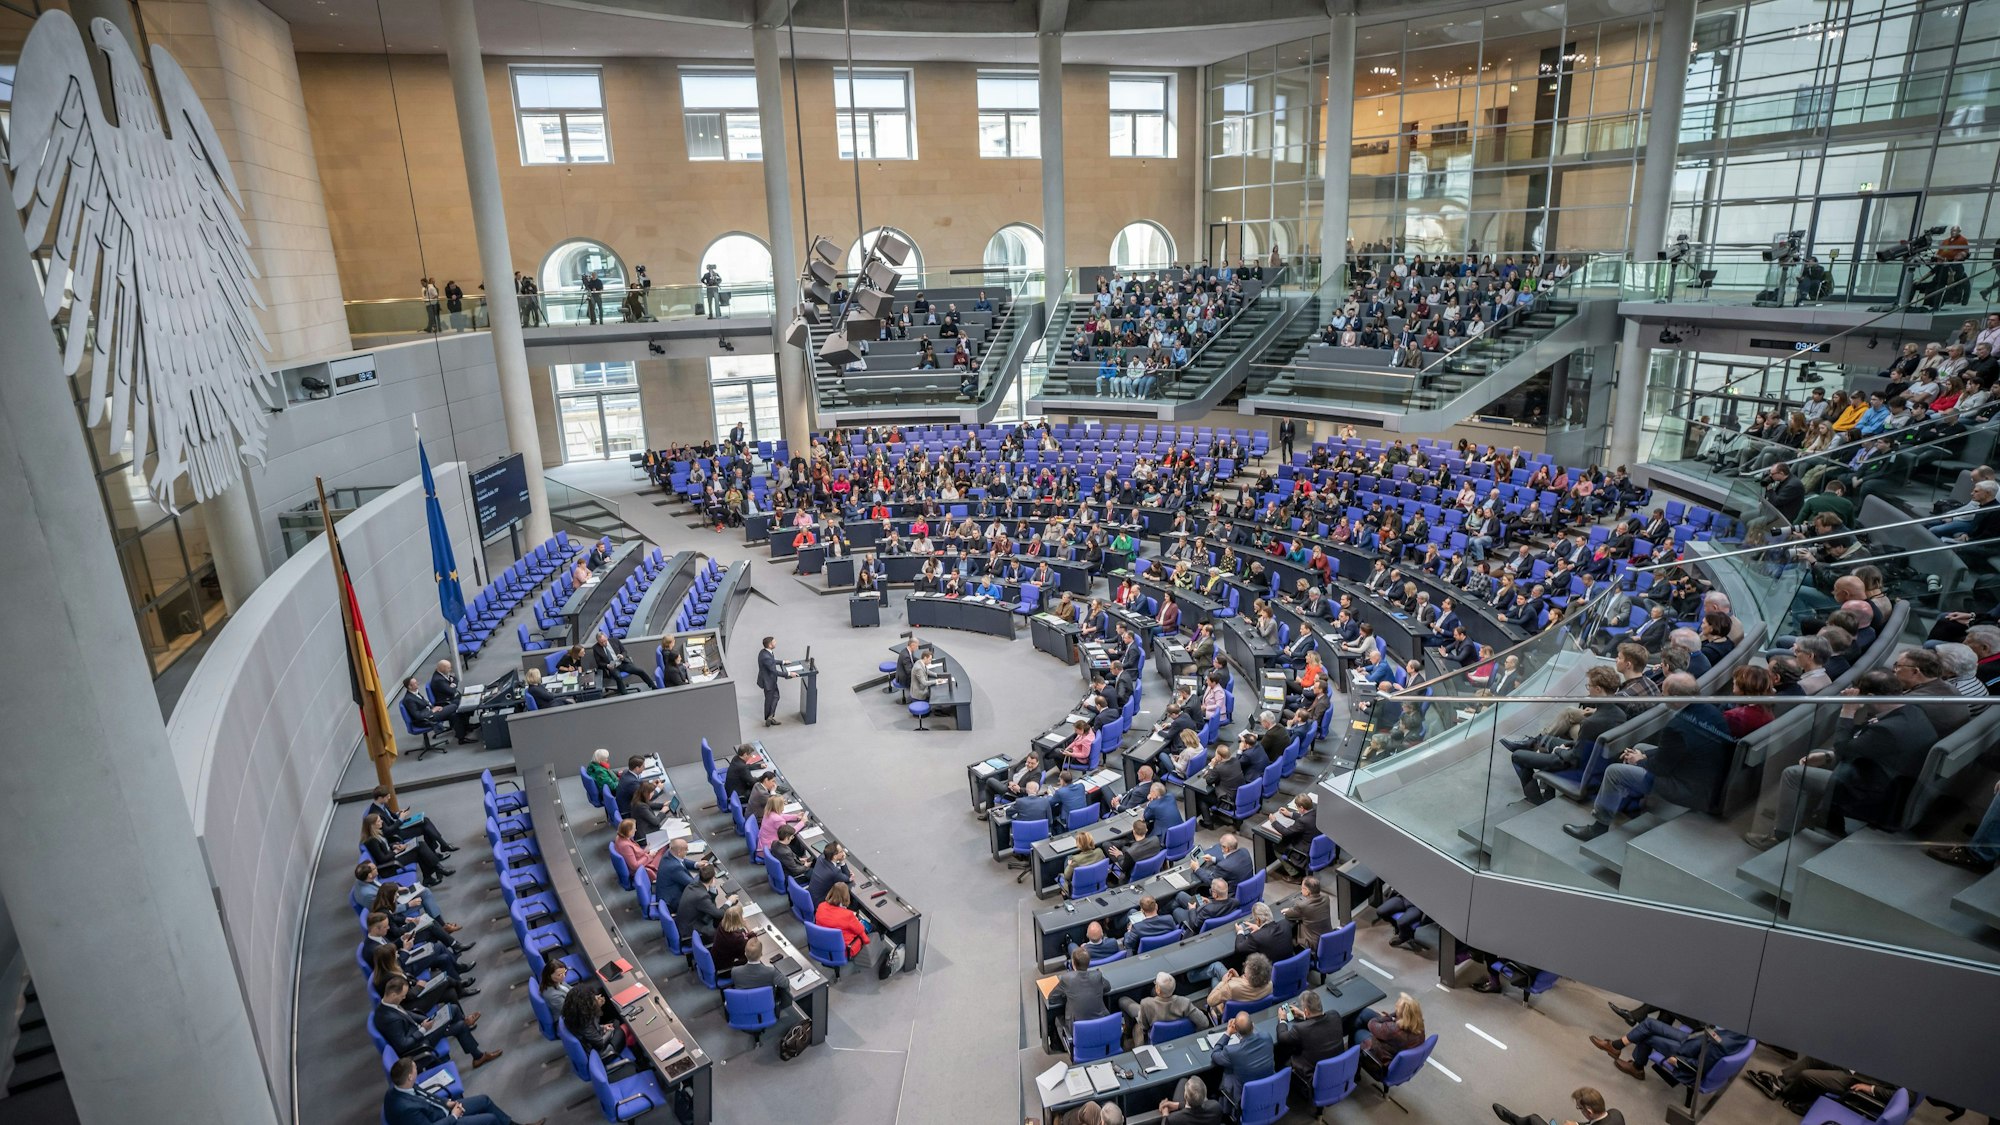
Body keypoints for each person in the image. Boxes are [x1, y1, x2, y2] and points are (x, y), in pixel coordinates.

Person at [1745, 670, 1937, 848]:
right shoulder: (1913, 710)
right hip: (1886, 775)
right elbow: (1866, 746)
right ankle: (1803, 816)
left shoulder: (1888, 729)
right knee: (1821, 754)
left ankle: (1780, 835)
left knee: (1793, 775)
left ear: (1869, 697)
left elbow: (1845, 748)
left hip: (1874, 793)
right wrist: (1829, 756)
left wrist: (1847, 711)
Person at [1565, 673, 1732, 841]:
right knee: (1640, 748)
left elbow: (1660, 768)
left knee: (1614, 772)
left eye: (1663, 692)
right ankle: (1631, 803)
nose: (1661, 696)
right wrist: (1642, 755)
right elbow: (1675, 752)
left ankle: (1599, 826)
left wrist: (1640, 760)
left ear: (1675, 698)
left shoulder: (1676, 727)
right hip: (1703, 774)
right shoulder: (1709, 709)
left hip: (1690, 790)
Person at [373, 977, 499, 1069]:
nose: (405, 998)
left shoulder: (387, 1004)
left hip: (421, 1028)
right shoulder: (390, 1019)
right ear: (394, 994)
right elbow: (403, 1045)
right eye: (403, 995)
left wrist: (424, 1020)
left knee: (453, 1009)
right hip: (419, 1043)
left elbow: (407, 1014)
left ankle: (477, 1055)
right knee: (460, 1026)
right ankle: (477, 1054)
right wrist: (422, 1029)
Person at [1590, 1019, 1749, 1083]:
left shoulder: (1721, 1044)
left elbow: (1701, 1066)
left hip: (1686, 1052)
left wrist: (1677, 1062)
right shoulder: (1745, 1031)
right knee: (1649, 1024)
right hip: (1694, 1039)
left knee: (1647, 1037)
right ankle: (1616, 1046)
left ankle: (1637, 1067)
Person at [1120, 970, 1211, 1044]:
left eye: (1156, 984)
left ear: (1158, 990)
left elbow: (1144, 1026)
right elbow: (1204, 1023)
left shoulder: (1146, 1004)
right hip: (1179, 1036)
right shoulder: (1185, 1002)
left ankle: (1127, 1034)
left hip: (1155, 1037)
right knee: (1152, 992)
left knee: (1123, 1001)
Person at [1274, 990, 1345, 1080]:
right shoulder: (1335, 1015)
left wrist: (1282, 1019)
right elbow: (1318, 1018)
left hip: (1313, 1075)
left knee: (1280, 1057)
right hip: (1336, 1067)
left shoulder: (1300, 1029)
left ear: (1307, 1012)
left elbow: (1282, 1038)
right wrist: (1302, 1014)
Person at [363, 813, 450, 886]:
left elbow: (384, 845)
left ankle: (431, 874)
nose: (382, 821)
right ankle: (436, 869)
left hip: (392, 856)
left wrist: (394, 846)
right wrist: (395, 852)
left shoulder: (377, 833)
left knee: (420, 845)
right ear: (372, 825)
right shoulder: (372, 841)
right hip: (389, 866)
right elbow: (382, 859)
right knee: (419, 849)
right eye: (379, 821)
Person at [1209, 1011, 1277, 1103]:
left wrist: (1228, 1033)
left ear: (1236, 1029)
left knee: (1226, 1073)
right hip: (1268, 1089)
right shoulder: (1267, 1037)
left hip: (1246, 1098)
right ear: (1253, 1025)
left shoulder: (1232, 1052)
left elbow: (1215, 1054)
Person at [1355, 991, 1426, 1066]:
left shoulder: (1393, 1030)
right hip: (1396, 1047)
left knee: (1358, 1032)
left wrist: (1386, 1017)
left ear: (1402, 1014)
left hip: (1383, 1054)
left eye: (1397, 1008)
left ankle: (1355, 1061)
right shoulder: (1418, 1024)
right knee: (1366, 1013)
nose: (1395, 1008)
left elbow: (1371, 1024)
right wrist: (1394, 1015)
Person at [1492, 1086, 1623, 1125]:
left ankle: (1512, 1119)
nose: (1578, 1110)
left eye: (1579, 1108)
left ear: (1589, 1110)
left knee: (1533, 1120)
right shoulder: (1615, 1113)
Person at [1201, 951, 1273, 1019]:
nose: (1245, 967)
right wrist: (1238, 978)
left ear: (1250, 976)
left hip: (1229, 1014)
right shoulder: (1269, 985)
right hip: (1252, 1011)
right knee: (1217, 968)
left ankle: (1191, 976)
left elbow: (1210, 1001)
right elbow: (1246, 989)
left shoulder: (1231, 987)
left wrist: (1223, 982)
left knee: (1215, 977)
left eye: (1245, 972)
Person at [675, 862, 732, 945]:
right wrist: (729, 901)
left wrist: (712, 889)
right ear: (713, 879)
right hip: (689, 934)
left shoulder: (692, 885)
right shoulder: (701, 896)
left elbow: (710, 906)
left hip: (686, 923)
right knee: (723, 933)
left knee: (715, 920)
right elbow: (719, 914)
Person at [425, 660, 476, 743]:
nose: (450, 669)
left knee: (468, 698)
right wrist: (452, 685)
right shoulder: (438, 680)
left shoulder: (443, 674)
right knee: (461, 706)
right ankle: (461, 737)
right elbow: (452, 691)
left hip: (450, 698)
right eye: (449, 668)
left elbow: (455, 679)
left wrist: (453, 684)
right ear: (442, 668)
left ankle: (466, 726)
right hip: (444, 702)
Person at [591, 630, 657, 691]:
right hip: (611, 667)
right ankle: (624, 693)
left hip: (622, 662)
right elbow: (599, 662)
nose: (604, 643)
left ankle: (652, 685)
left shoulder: (615, 640)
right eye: (601, 642)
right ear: (598, 642)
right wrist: (607, 665)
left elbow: (624, 651)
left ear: (606, 638)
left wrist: (622, 656)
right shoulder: (596, 648)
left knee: (640, 671)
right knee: (618, 676)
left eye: (605, 641)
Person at [1158, 1076, 1226, 1125]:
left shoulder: (1173, 1119)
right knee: (1187, 1079)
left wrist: (1165, 1114)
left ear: (1185, 1096)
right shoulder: (1216, 1107)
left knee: (1183, 1080)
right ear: (1205, 1095)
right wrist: (1178, 1105)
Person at [757, 635, 791, 727]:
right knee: (769, 700)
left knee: (775, 697)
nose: (776, 643)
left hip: (770, 680)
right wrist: (788, 674)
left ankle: (770, 716)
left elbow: (772, 661)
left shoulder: (765, 652)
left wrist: (783, 662)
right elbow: (774, 671)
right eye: (774, 642)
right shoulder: (766, 657)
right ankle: (768, 718)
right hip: (768, 682)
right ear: (770, 645)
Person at [809, 841, 854, 905]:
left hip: (811, 895)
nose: (843, 853)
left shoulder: (821, 857)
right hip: (819, 902)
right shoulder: (835, 872)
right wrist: (842, 862)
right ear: (835, 856)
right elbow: (848, 878)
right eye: (841, 852)